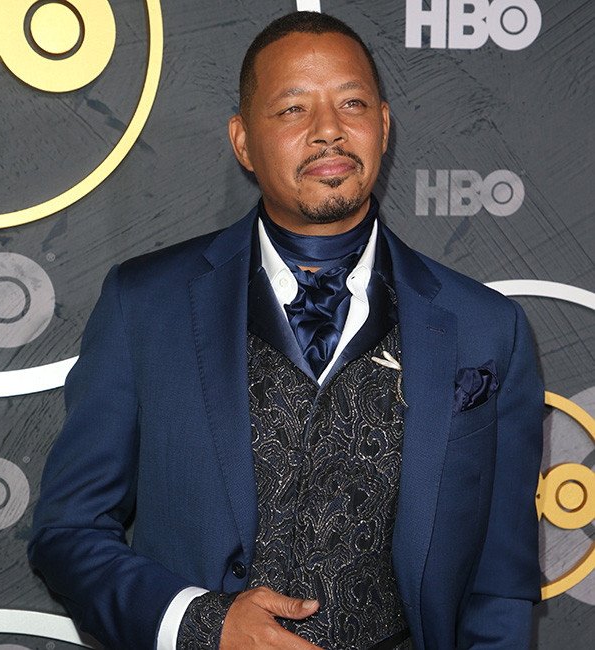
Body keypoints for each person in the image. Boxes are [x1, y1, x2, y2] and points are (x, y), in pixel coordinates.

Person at [28, 11, 543, 650]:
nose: (329, 129)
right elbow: (68, 531)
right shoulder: (144, 304)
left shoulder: (487, 327)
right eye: (294, 109)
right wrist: (201, 623)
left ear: (384, 125)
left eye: (352, 103)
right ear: (244, 141)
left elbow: (501, 582)